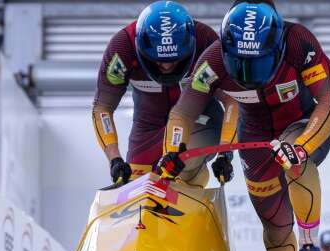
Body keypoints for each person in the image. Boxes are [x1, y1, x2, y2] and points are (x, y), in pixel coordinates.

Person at [158, 0, 330, 251]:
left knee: (293, 160)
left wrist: (303, 144)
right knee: (274, 227)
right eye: (240, 63)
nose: (248, 72)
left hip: (303, 126)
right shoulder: (213, 61)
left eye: (257, 61)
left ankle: (309, 242)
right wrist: (173, 150)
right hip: (255, 137)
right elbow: (183, 112)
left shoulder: (299, 42)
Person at [92, 1, 238, 186]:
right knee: (137, 187)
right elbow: (102, 107)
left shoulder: (206, 42)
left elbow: (233, 99)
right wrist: (115, 159)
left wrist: (225, 152)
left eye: (175, 59)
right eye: (158, 61)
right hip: (148, 126)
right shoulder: (122, 49)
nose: (167, 66)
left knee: (177, 168)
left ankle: (192, 180)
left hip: (200, 121)